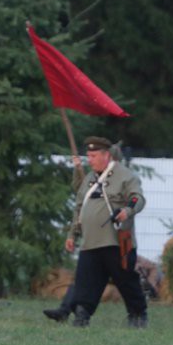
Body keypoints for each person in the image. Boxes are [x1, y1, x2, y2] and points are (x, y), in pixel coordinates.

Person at [64, 136, 148, 327]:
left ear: (106, 156)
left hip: (117, 241)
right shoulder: (89, 178)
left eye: (93, 156)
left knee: (125, 280)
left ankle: (137, 314)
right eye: (88, 156)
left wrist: (128, 210)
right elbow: (80, 207)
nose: (90, 160)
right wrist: (72, 234)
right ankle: (82, 315)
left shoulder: (125, 176)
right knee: (86, 281)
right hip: (90, 241)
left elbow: (137, 198)